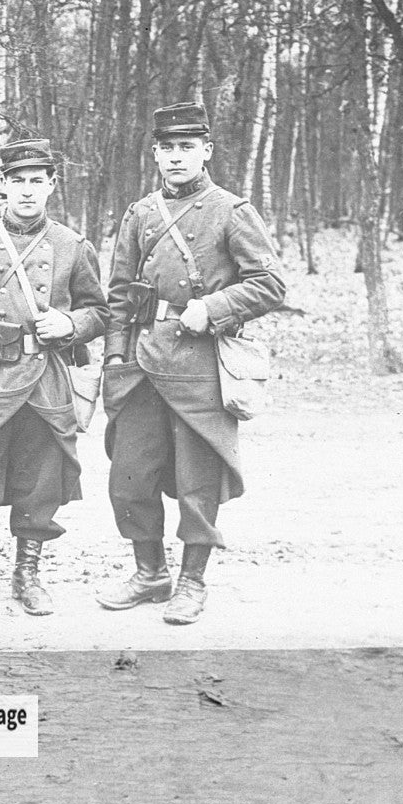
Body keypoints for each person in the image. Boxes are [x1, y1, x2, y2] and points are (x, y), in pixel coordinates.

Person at [96, 101, 287, 624]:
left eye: (187, 147)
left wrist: (214, 308)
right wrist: (115, 359)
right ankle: (150, 572)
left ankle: (193, 582)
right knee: (129, 478)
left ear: (206, 151)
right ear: (155, 154)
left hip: (200, 366)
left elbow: (270, 284)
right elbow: (118, 296)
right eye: (167, 148)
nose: (176, 157)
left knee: (197, 482)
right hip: (139, 367)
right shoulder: (141, 213)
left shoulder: (231, 210)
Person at [0, 139, 108, 619]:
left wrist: (71, 325)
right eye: (17, 181)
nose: (27, 191)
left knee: (40, 482)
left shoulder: (73, 246)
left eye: (36, 181)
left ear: (51, 185)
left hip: (46, 380)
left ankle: (27, 575)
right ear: (2, 186)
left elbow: (99, 310)